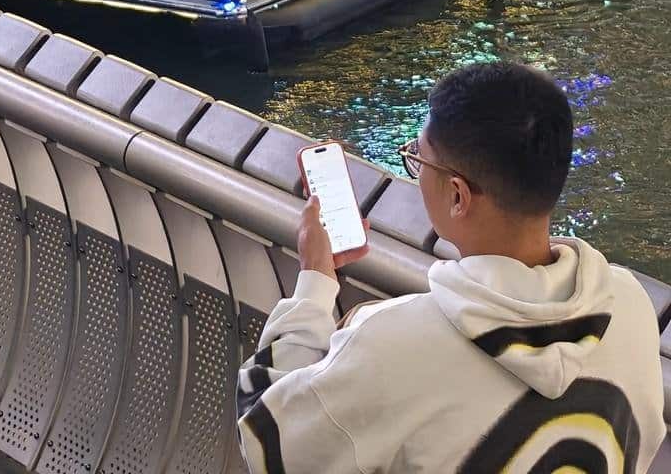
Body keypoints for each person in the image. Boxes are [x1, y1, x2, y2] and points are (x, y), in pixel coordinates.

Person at [237, 60, 665, 474]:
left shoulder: (391, 347)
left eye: (419, 159)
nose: (417, 170)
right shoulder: (629, 306)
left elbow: (265, 438)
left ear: (458, 196)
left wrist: (315, 281)